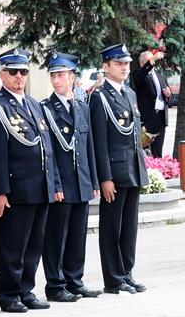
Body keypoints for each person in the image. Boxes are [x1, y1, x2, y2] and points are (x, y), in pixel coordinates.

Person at [0, 49, 62, 313]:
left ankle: (26, 289)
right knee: (12, 245)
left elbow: (47, 149)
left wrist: (55, 184)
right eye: (13, 72)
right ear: (2, 74)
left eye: (23, 72)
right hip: (16, 189)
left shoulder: (34, 105)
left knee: (34, 245)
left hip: (39, 187)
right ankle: (9, 293)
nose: (18, 77)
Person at [41, 52, 103, 300]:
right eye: (54, 75)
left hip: (81, 181)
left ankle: (74, 280)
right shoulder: (46, 109)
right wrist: (55, 183)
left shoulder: (81, 107)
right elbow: (49, 153)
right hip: (62, 184)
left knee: (77, 235)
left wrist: (94, 181)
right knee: (57, 236)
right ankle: (55, 285)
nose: (57, 81)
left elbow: (89, 148)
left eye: (62, 75)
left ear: (73, 77)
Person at [90, 43, 149, 295]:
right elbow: (99, 141)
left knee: (129, 227)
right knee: (112, 227)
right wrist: (105, 177)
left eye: (126, 63)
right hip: (114, 172)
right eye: (118, 64)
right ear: (106, 66)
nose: (125, 68)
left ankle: (127, 271)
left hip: (133, 169)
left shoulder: (129, 94)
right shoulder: (99, 97)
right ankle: (113, 278)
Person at [131, 47, 171, 158]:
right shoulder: (139, 74)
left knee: (158, 149)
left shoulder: (160, 76)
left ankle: (159, 172)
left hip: (161, 117)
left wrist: (168, 95)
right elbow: (141, 75)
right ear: (142, 62)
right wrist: (153, 59)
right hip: (147, 117)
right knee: (144, 150)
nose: (154, 62)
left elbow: (166, 96)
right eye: (150, 60)